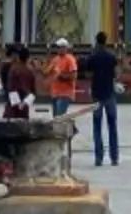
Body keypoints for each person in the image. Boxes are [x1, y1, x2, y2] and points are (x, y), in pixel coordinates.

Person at [83, 32, 120, 168]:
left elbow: (88, 74)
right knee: (112, 126)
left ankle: (99, 158)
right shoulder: (111, 56)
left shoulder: (92, 57)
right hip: (110, 93)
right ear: (106, 41)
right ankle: (114, 157)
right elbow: (117, 73)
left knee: (97, 127)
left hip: (97, 94)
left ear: (96, 41)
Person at [2, 45, 39, 120]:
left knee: (10, 126)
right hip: (25, 103)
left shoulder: (14, 69)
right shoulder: (31, 70)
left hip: (13, 104)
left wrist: (17, 103)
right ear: (28, 58)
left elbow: (11, 87)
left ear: (19, 57)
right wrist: (25, 103)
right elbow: (34, 91)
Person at [48, 37, 79, 117]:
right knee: (56, 118)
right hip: (55, 93)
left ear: (65, 48)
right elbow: (48, 72)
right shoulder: (55, 59)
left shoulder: (70, 59)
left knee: (59, 117)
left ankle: (69, 128)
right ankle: (70, 127)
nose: (58, 49)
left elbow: (74, 76)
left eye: (60, 47)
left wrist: (61, 76)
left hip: (65, 93)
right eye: (57, 47)